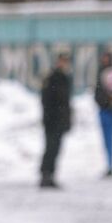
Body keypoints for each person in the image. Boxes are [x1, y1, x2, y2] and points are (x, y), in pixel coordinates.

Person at [39, 51, 72, 188]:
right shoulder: (53, 77)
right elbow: (47, 100)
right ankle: (46, 175)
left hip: (60, 120)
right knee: (50, 148)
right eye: (62, 61)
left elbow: (65, 103)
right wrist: (50, 117)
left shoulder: (65, 78)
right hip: (52, 120)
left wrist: (67, 120)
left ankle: (50, 174)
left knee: (56, 149)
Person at [94, 50, 112, 177]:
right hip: (103, 109)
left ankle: (111, 165)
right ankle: (109, 165)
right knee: (106, 140)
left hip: (110, 110)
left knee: (110, 139)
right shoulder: (101, 72)